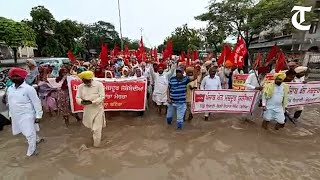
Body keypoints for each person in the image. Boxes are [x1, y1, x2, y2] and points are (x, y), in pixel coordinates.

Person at [7, 67, 43, 156]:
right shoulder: (10, 89)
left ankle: (31, 152)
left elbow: (36, 102)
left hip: (27, 114)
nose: (14, 78)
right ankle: (37, 139)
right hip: (16, 115)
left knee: (29, 134)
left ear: (22, 77)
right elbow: (10, 103)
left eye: (17, 76)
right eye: (13, 76)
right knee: (25, 131)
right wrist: (11, 115)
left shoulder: (28, 89)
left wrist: (38, 115)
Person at [76, 71, 106, 147]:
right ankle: (95, 139)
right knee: (91, 128)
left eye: (87, 81)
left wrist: (93, 102)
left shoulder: (99, 85)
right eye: (84, 81)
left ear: (91, 79)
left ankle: (96, 146)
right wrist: (81, 102)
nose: (86, 82)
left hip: (98, 109)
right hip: (87, 110)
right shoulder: (80, 87)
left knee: (97, 129)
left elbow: (102, 97)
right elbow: (78, 97)